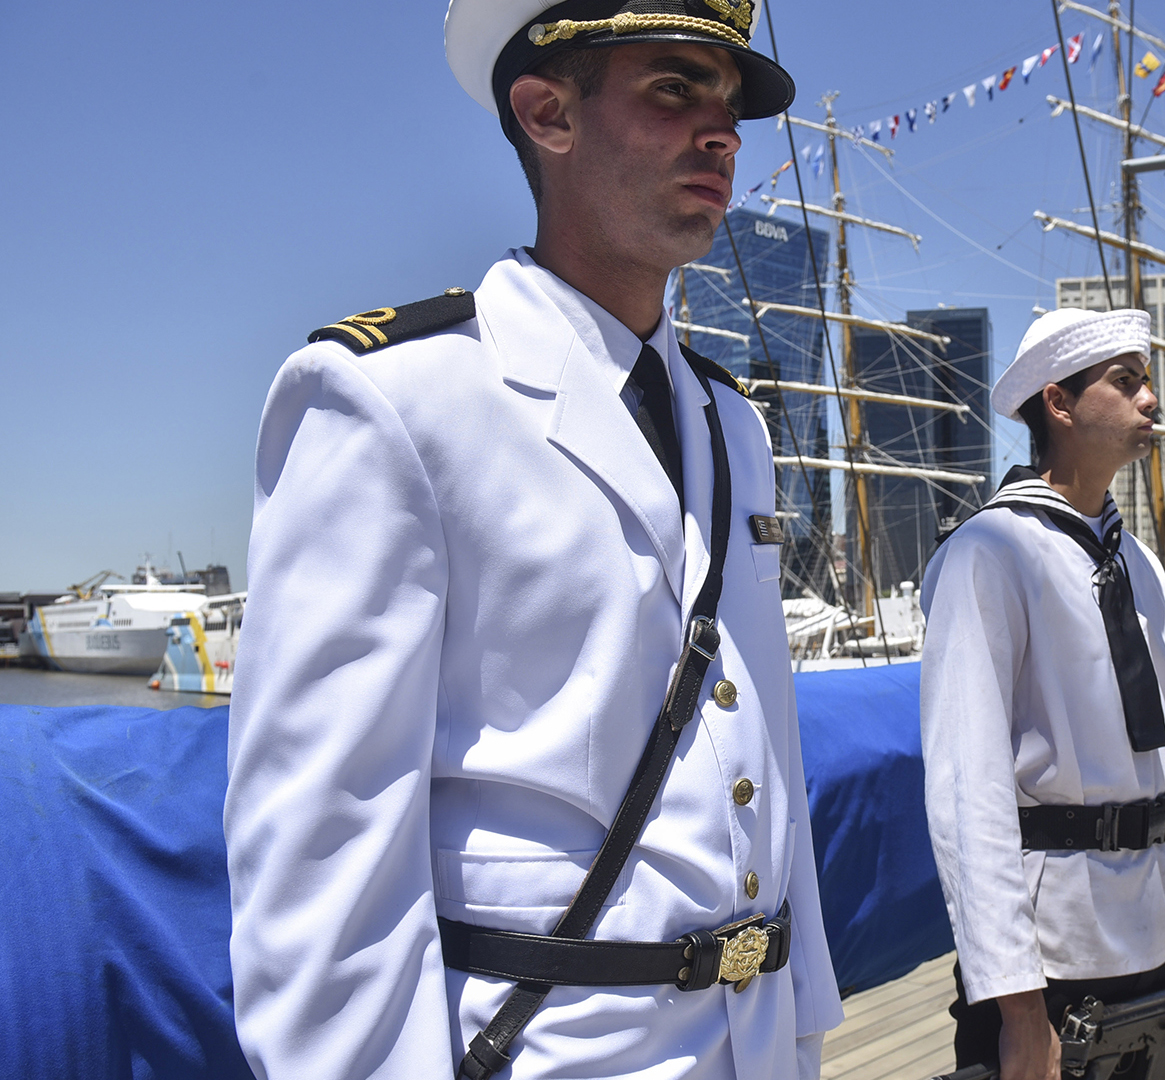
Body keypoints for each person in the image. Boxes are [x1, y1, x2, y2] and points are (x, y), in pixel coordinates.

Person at [223, 4, 844, 1078]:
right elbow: (325, 850)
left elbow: (769, 753)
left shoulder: (730, 420)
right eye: (673, 89)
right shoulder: (397, 397)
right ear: (546, 113)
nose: (722, 131)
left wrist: (802, 1034)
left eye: (730, 103)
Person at [920, 309, 1165, 1080]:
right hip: (1050, 955)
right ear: (1059, 404)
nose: (1150, 399)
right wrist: (1017, 1007)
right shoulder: (988, 554)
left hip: (1153, 938)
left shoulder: (1145, 570)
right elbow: (967, 791)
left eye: (1146, 380)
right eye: (1127, 382)